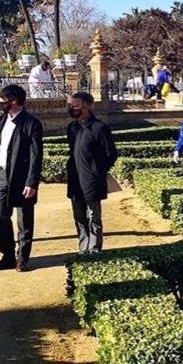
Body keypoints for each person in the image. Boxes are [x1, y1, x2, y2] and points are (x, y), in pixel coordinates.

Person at [0, 84, 44, 271]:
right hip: (2, 174)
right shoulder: (2, 120)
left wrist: (32, 182)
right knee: (1, 215)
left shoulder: (31, 123)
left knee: (24, 220)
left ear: (14, 101)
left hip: (22, 177)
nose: (0, 102)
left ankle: (23, 258)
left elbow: (37, 155)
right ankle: (7, 256)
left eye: (4, 100)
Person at [66, 92, 118, 254]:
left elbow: (111, 154)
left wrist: (98, 171)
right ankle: (83, 247)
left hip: (92, 180)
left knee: (93, 216)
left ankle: (94, 248)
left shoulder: (99, 128)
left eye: (75, 106)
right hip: (75, 179)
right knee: (79, 217)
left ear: (86, 107)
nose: (71, 108)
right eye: (71, 105)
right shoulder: (72, 128)